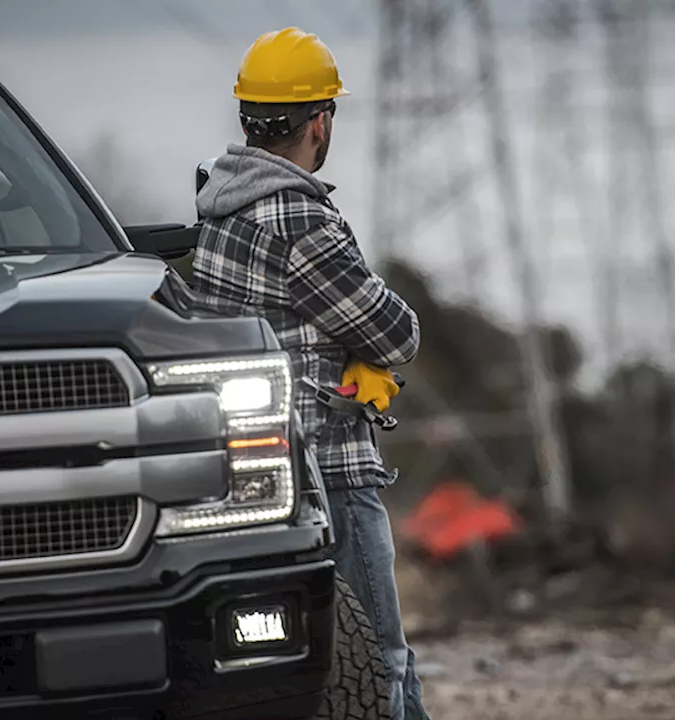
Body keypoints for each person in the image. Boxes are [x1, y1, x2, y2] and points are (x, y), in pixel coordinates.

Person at [189, 26, 430, 720]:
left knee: (284, 668)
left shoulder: (218, 210)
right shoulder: (298, 217)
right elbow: (397, 331)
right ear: (320, 121)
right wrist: (368, 351)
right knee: (381, 658)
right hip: (331, 470)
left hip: (246, 482)